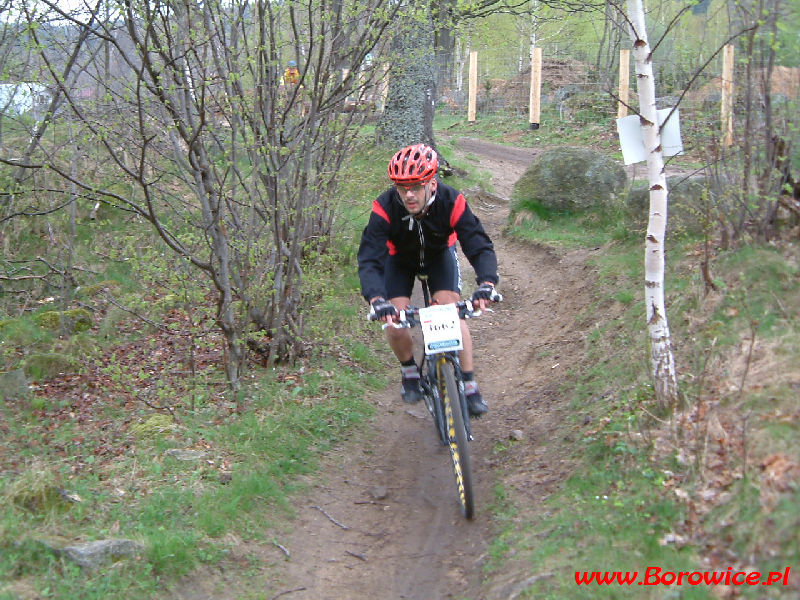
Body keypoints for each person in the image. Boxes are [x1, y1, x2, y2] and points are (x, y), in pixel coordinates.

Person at [358, 143, 500, 417]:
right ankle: (409, 369)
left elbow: (478, 244)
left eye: (416, 186)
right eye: (402, 188)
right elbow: (370, 258)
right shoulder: (384, 207)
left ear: (432, 183)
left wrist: (487, 283)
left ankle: (469, 384)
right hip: (398, 260)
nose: (409, 194)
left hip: (438, 256)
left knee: (451, 313)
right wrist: (376, 299)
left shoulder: (452, 201)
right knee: (396, 322)